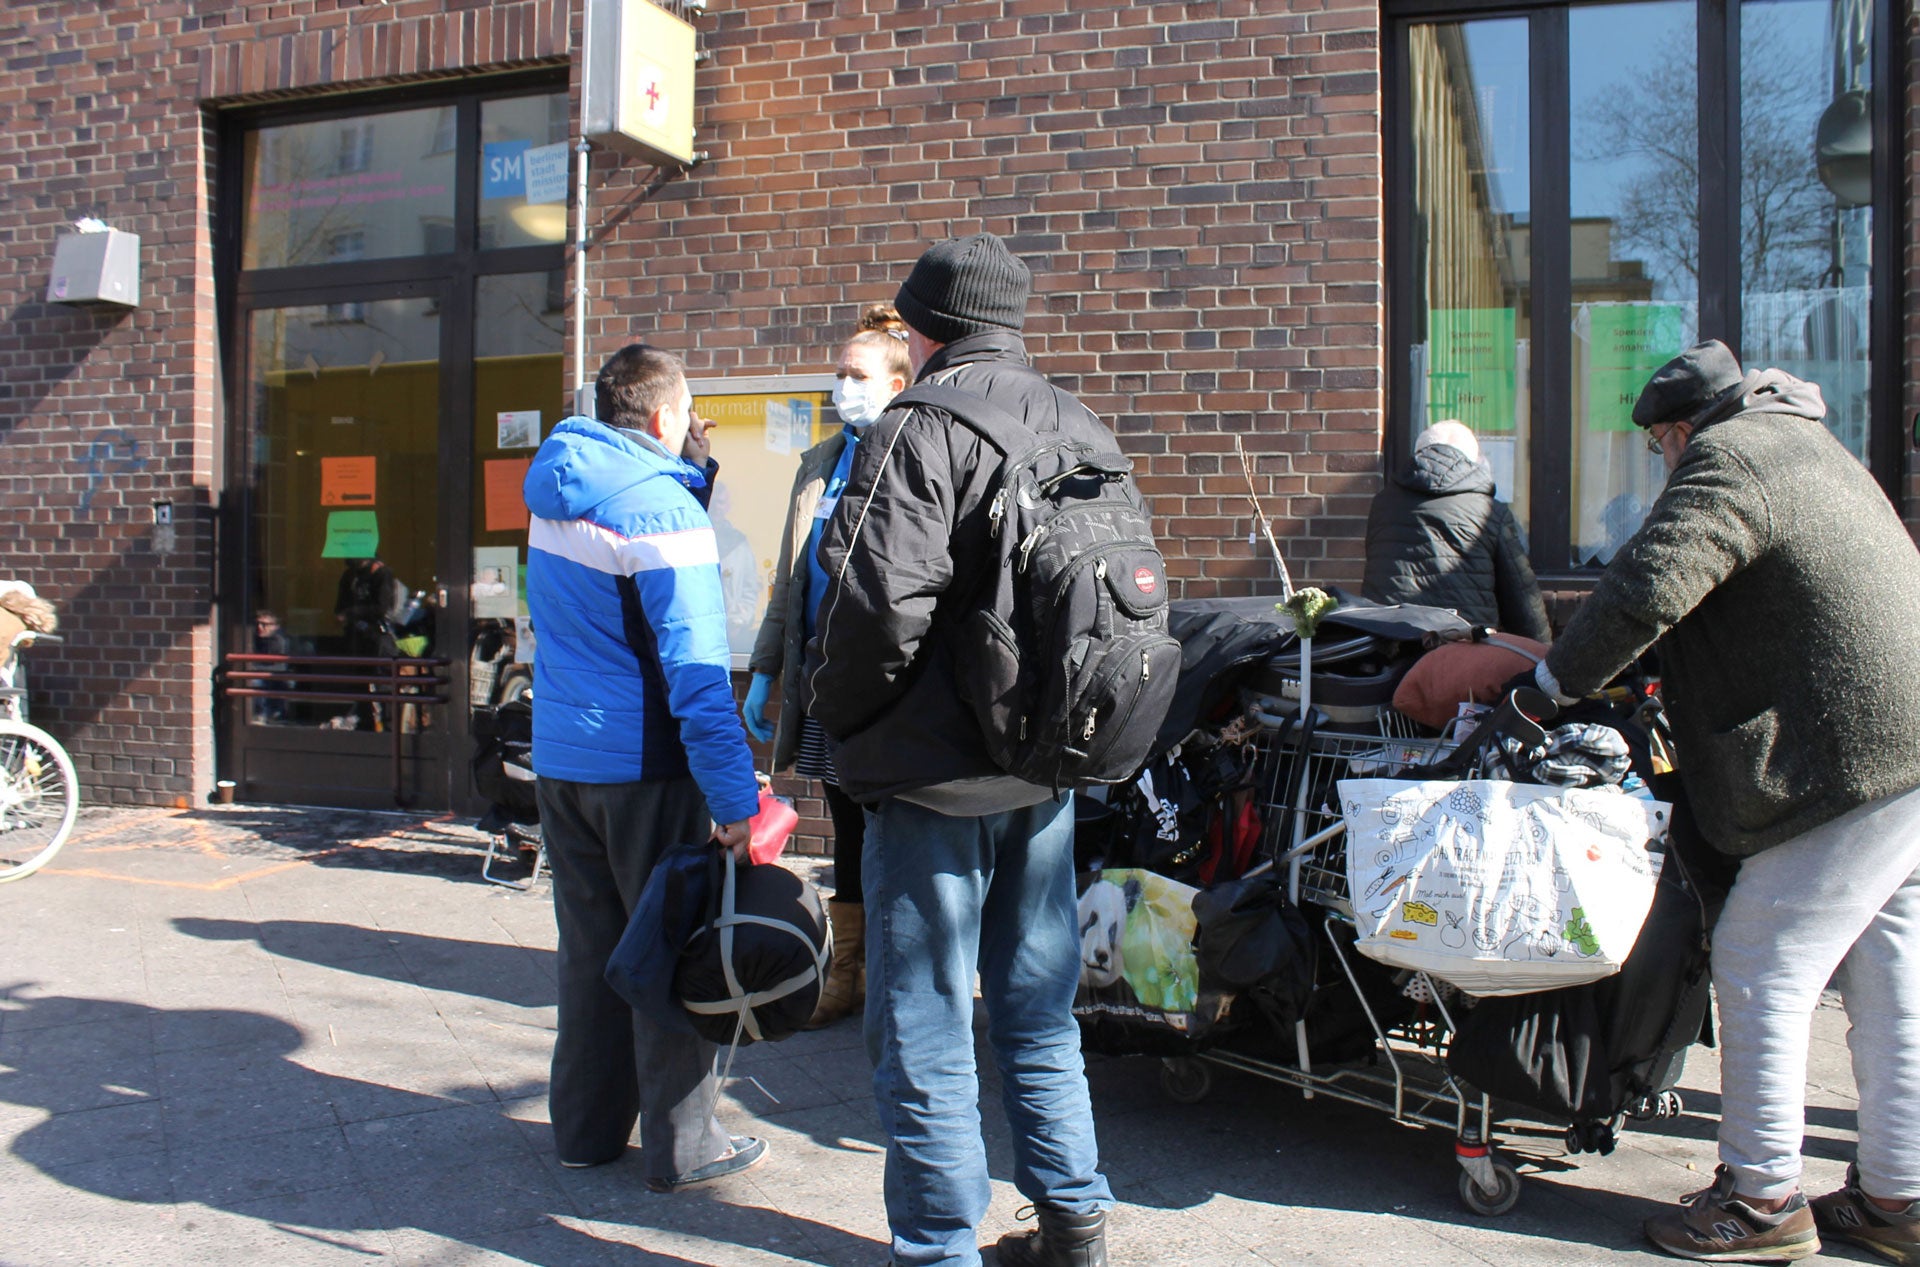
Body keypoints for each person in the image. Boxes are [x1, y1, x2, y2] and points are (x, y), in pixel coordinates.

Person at [1532, 340, 1920, 1264]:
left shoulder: (1729, 456)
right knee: (1888, 971)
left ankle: (1760, 1200)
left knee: (1761, 956)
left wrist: (1543, 686)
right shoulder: (1814, 446)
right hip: (1907, 745)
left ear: (1672, 430)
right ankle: (1898, 1198)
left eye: (1659, 444)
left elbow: (1646, 587)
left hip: (1850, 759)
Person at [805, 234, 1115, 1267]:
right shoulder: (1079, 420)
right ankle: (1077, 1227)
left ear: (928, 330)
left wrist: (846, 729)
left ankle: (939, 1251)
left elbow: (869, 605)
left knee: (925, 1031)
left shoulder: (921, 423)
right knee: (1038, 1013)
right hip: (1046, 768)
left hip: (933, 778)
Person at [521, 342, 770, 1192]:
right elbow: (696, 677)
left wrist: (684, 481)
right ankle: (685, 1145)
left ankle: (585, 1132)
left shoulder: (559, 483)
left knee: (590, 952)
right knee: (669, 952)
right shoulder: (665, 515)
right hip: (642, 767)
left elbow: (600, 610)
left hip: (563, 758)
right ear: (667, 417)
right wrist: (736, 799)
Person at [743, 303, 913, 1030]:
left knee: (895, 832)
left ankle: (894, 975)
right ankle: (845, 973)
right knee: (847, 826)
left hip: (884, 688)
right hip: (820, 681)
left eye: (858, 374)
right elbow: (790, 576)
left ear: (900, 382)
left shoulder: (914, 453)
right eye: (838, 373)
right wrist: (762, 670)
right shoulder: (821, 462)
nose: (843, 386)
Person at [1361, 419, 1552, 641]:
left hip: (1390, 648)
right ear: (1474, 460)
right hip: (1464, 650)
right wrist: (1542, 654)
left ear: (1418, 454)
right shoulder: (1489, 511)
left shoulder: (1383, 505)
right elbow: (1521, 597)